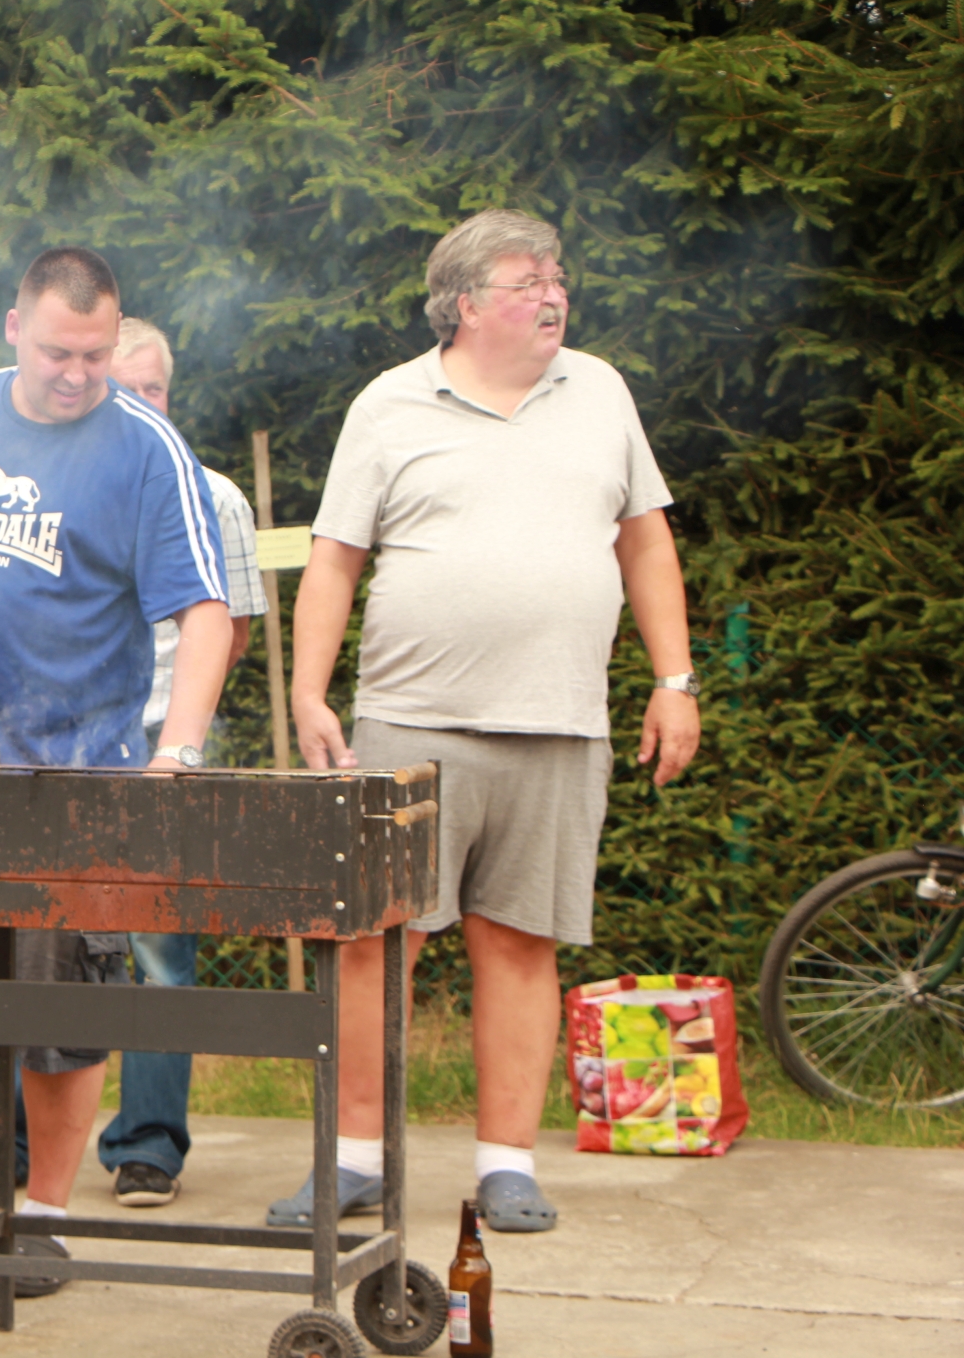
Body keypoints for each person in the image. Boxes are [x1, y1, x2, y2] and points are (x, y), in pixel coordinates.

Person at [267, 209, 699, 1235]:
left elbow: (645, 541)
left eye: (557, 277)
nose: (554, 295)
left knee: (521, 944)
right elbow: (333, 558)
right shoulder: (388, 404)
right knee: (377, 945)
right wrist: (306, 693)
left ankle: (507, 1166)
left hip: (559, 723)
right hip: (408, 723)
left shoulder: (599, 391)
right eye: (526, 282)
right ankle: (353, 1160)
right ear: (463, 304)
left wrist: (674, 679)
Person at [0, 247, 234, 1298]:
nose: (77, 373)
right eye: (60, 351)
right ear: (14, 327)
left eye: (96, 355)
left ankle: (45, 1219)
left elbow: (205, 611)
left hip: (79, 783)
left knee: (63, 1010)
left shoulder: (146, 449)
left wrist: (177, 752)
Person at [0, 317, 268, 1209]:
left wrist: (174, 740)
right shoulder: (41, 482)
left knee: (157, 950)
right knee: (16, 938)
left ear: (171, 394)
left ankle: (148, 1145)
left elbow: (232, 630)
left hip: (159, 746)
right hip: (46, 752)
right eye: (123, 385)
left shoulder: (214, 496)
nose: (137, 402)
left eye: (152, 387)